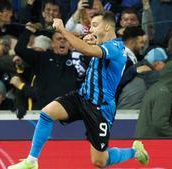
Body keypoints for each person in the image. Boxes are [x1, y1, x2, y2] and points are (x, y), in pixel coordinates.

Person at [8, 11, 149, 169]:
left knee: (99, 161)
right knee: (47, 113)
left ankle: (135, 152)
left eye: (95, 25)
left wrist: (63, 30)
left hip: (100, 108)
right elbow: (86, 48)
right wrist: (85, 40)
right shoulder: (101, 45)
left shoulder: (115, 48)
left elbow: (88, 51)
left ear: (108, 27)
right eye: (91, 26)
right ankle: (31, 161)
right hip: (82, 96)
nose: (92, 29)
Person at [135, 61, 172, 138]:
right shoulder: (164, 93)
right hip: (152, 141)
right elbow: (160, 123)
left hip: (146, 139)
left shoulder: (157, 87)